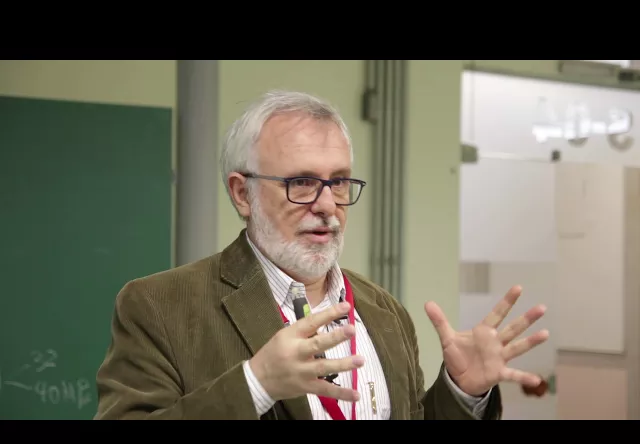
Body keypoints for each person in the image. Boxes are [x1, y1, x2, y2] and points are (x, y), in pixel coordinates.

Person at [94, 89, 549, 420]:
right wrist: (256, 384)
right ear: (242, 194)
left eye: (339, 182)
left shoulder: (384, 311)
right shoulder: (160, 306)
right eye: (302, 183)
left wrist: (460, 391)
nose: (328, 205)